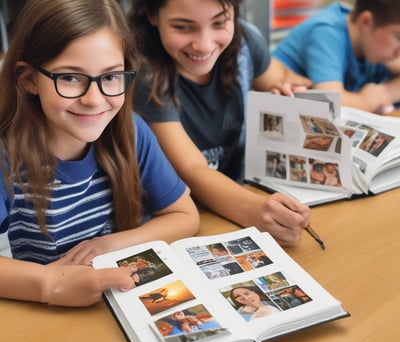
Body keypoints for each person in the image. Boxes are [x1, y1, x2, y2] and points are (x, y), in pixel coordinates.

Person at [0, 0, 200, 307]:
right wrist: (49, 285)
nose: (94, 100)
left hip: (118, 302)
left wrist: (110, 245)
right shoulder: (5, 156)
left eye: (110, 77)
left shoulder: (131, 132)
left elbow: (184, 216)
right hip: (47, 313)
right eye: (69, 77)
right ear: (29, 80)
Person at [128, 0, 311, 247]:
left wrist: (287, 91)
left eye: (219, 23)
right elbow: (192, 170)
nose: (204, 44)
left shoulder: (245, 42)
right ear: (152, 13)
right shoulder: (144, 72)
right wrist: (255, 210)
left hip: (237, 196)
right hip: (179, 222)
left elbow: (284, 79)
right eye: (183, 27)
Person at [272, 1, 400, 114]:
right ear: (365, 21)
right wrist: (366, 101)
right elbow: (332, 103)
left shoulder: (373, 44)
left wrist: (385, 93)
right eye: (398, 38)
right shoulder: (326, 31)